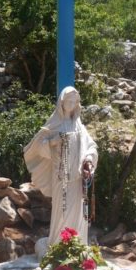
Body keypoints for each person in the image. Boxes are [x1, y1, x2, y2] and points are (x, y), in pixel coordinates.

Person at [24, 86, 98, 251]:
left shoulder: (78, 125)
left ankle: (77, 246)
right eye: (68, 101)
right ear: (61, 103)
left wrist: (88, 160)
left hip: (77, 179)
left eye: (74, 101)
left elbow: (91, 146)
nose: (71, 104)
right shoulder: (54, 124)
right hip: (60, 178)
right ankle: (59, 246)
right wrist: (52, 142)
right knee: (62, 213)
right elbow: (36, 147)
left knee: (79, 214)